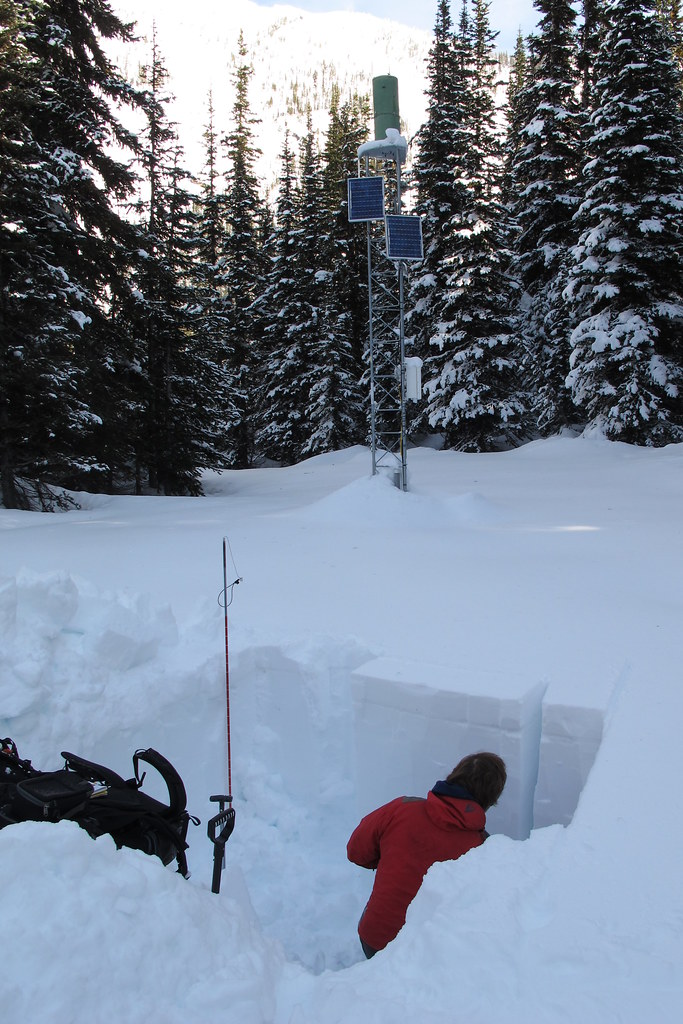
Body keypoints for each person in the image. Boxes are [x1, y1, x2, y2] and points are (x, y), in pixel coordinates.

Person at [347, 751, 507, 958]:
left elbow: (356, 851)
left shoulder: (403, 808)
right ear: (491, 800)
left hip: (374, 938)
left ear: (453, 775)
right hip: (426, 957)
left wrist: (392, 859)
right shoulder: (482, 848)